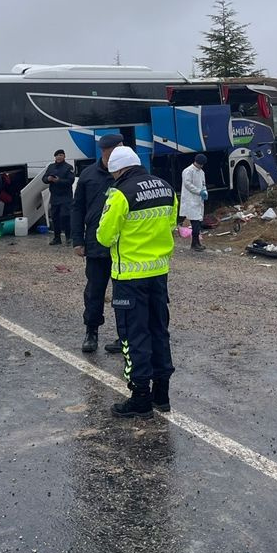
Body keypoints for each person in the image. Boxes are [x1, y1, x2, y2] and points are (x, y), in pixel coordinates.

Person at [95, 146, 178, 417]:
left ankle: (140, 397)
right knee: (159, 330)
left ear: (118, 170)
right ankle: (162, 393)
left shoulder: (120, 193)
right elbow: (172, 224)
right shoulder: (166, 187)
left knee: (133, 335)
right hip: (159, 272)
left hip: (129, 276)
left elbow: (104, 236)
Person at [70, 133, 123, 353]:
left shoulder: (126, 175)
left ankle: (125, 335)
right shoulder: (88, 175)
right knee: (94, 291)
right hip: (95, 244)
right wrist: (77, 240)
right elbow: (77, 208)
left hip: (122, 245)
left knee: (123, 294)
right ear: (104, 151)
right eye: (115, 149)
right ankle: (91, 332)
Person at [42, 149, 75, 245]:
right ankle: (57, 238)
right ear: (55, 157)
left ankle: (69, 237)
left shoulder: (68, 167)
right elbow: (43, 178)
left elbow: (70, 181)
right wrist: (48, 179)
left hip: (66, 197)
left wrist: (59, 181)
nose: (59, 157)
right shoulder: (51, 167)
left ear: (64, 156)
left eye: (61, 155)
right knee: (55, 217)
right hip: (55, 196)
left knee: (65, 216)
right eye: (57, 155)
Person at [180, 154, 208, 252]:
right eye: (201, 164)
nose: (202, 166)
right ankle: (194, 244)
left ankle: (196, 243)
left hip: (198, 200)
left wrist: (204, 191)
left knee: (198, 222)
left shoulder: (201, 172)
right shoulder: (188, 171)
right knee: (195, 223)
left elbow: (203, 184)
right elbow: (188, 184)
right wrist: (198, 191)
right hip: (190, 200)